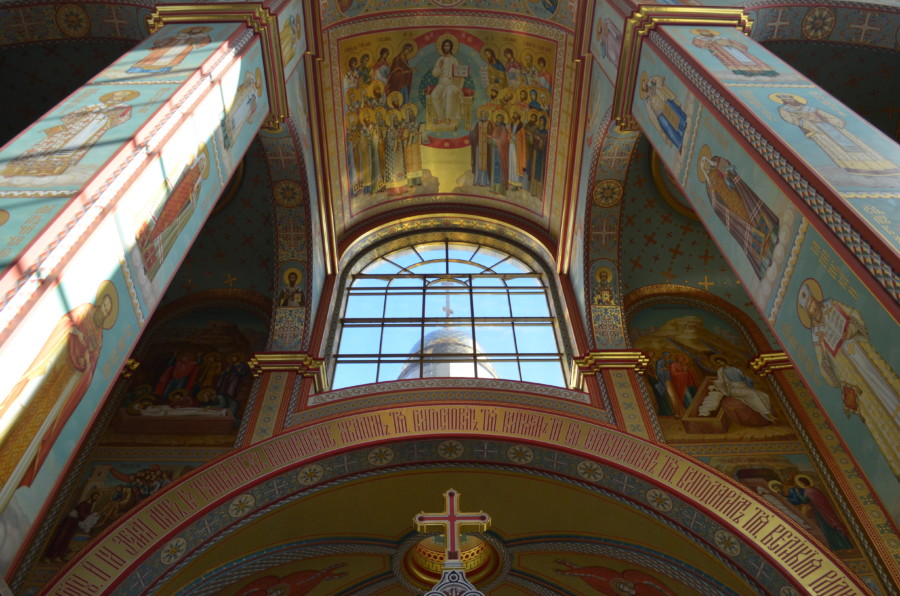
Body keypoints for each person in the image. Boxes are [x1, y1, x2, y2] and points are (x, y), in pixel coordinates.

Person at [0, 282, 118, 488]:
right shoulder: (85, 310)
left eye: (108, 310)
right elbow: (67, 323)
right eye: (105, 305)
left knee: (38, 426)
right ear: (101, 302)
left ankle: (9, 472)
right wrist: (77, 336)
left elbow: (91, 364)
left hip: (65, 385)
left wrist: (86, 360)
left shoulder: (99, 336)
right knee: (22, 402)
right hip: (52, 366)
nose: (105, 310)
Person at [797, 278, 900, 476]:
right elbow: (822, 365)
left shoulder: (831, 305)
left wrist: (849, 331)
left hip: (861, 354)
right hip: (848, 373)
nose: (813, 307)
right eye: (809, 307)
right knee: (872, 410)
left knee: (884, 386)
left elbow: (854, 316)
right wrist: (830, 369)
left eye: (812, 302)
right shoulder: (815, 333)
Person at [2, 90, 138, 178]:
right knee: (52, 144)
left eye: (121, 96)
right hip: (76, 127)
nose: (116, 98)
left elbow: (123, 118)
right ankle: (19, 170)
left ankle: (49, 170)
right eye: (115, 96)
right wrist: (72, 123)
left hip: (94, 129)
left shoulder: (123, 107)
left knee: (73, 148)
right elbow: (72, 115)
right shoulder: (93, 106)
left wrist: (110, 120)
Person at [698, 147, 779, 279]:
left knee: (753, 215)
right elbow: (715, 204)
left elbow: (727, 166)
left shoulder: (716, 162)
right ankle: (766, 256)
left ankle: (773, 237)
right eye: (703, 165)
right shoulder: (709, 186)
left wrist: (726, 174)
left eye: (705, 161)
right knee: (747, 227)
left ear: (708, 160)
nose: (706, 164)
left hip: (738, 196)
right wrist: (715, 195)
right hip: (732, 209)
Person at [773, 93, 899, 176]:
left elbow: (825, 114)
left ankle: (880, 166)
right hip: (816, 130)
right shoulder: (784, 109)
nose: (790, 100)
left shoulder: (810, 108)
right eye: (787, 99)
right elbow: (789, 119)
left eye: (791, 98)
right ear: (783, 101)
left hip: (830, 127)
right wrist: (806, 122)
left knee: (856, 146)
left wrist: (834, 121)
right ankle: (853, 167)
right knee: (834, 147)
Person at [698, 355, 775, 423]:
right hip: (734, 389)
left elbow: (744, 377)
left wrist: (748, 378)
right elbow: (720, 382)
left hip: (744, 386)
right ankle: (768, 414)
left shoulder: (735, 368)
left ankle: (769, 413)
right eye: (718, 363)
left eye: (721, 361)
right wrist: (717, 384)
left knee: (764, 395)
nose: (720, 363)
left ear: (724, 360)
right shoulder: (721, 371)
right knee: (753, 394)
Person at [786, 475, 854, 551]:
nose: (799, 485)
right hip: (825, 511)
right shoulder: (815, 490)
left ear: (803, 483)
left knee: (827, 530)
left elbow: (805, 501)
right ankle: (845, 547)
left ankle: (837, 548)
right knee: (833, 527)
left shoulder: (808, 491)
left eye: (799, 483)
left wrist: (798, 493)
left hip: (820, 513)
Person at [691, 29, 777, 77]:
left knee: (744, 58)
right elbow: (699, 44)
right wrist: (710, 43)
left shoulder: (721, 37)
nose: (706, 33)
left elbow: (736, 43)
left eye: (707, 32)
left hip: (732, 49)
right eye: (703, 32)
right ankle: (744, 72)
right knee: (732, 61)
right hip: (722, 52)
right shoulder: (699, 38)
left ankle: (762, 71)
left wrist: (730, 43)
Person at [127, 26, 211, 74]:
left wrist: (194, 45)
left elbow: (206, 41)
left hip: (182, 49)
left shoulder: (203, 35)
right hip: (168, 47)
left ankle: (160, 72)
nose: (195, 29)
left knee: (169, 60)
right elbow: (167, 39)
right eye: (194, 28)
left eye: (198, 29)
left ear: (201, 30)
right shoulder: (181, 34)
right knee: (154, 58)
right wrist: (161, 42)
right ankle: (138, 70)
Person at [44, 492, 100, 562]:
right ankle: (48, 556)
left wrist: (92, 515)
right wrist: (90, 516)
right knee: (61, 537)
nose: (96, 498)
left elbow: (86, 513)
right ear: (92, 496)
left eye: (97, 497)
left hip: (75, 521)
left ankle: (57, 555)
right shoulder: (85, 503)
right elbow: (82, 514)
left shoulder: (90, 503)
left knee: (67, 538)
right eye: (95, 496)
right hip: (70, 520)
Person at [639, 72, 687, 151]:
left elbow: (661, 80)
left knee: (675, 114)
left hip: (665, 105)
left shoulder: (653, 86)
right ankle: (679, 143)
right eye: (644, 88)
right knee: (668, 128)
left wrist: (654, 80)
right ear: (644, 90)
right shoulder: (648, 103)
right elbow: (652, 115)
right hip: (659, 115)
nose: (646, 87)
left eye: (645, 85)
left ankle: (683, 124)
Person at [430, 38, 465, 125]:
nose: (446, 47)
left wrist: (458, 76)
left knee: (449, 92)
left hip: (451, 83)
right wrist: (439, 66)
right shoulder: (440, 60)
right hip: (441, 82)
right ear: (443, 47)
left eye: (448, 46)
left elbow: (459, 73)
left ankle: (447, 117)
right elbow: (434, 74)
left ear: (451, 47)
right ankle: (440, 117)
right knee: (434, 95)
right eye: (445, 46)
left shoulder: (454, 60)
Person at [470, 109, 493, 187]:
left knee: (485, 164)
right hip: (479, 146)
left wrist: (488, 136)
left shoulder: (489, 124)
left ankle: (484, 181)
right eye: (482, 114)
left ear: (487, 115)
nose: (483, 115)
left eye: (484, 114)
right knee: (478, 163)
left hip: (486, 147)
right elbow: (475, 133)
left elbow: (492, 134)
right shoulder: (478, 123)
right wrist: (472, 134)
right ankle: (477, 180)